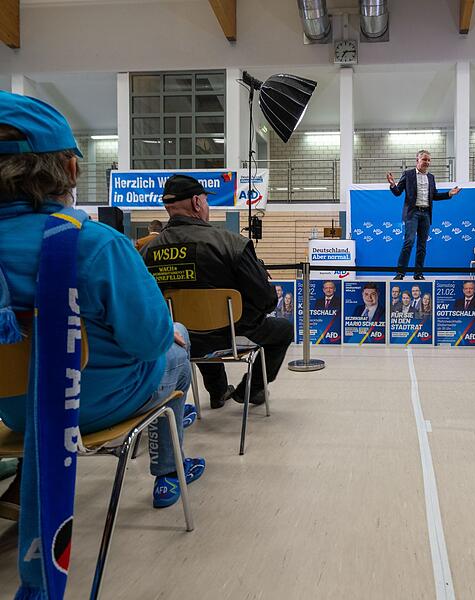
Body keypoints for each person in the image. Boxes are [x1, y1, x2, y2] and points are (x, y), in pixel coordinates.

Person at [0, 91, 204, 517]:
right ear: (71, 169)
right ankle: (169, 472)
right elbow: (150, 342)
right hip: (96, 405)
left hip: (15, 414)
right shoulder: (95, 245)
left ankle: (26, 475)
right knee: (177, 341)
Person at [142, 174, 292, 409]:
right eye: (206, 200)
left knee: (196, 327)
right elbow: (266, 299)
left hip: (180, 337)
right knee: (283, 329)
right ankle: (251, 390)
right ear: (196, 203)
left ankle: (219, 390)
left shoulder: (147, 251)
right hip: (230, 334)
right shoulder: (231, 243)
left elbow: (143, 302)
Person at [386, 150, 461, 280]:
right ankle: (400, 273)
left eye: (428, 160)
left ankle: (418, 273)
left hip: (426, 214)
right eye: (424, 159)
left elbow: (434, 195)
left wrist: (449, 194)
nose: (427, 162)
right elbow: (398, 192)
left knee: (422, 245)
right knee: (409, 241)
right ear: (417, 160)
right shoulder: (408, 174)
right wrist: (393, 185)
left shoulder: (431, 177)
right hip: (412, 213)